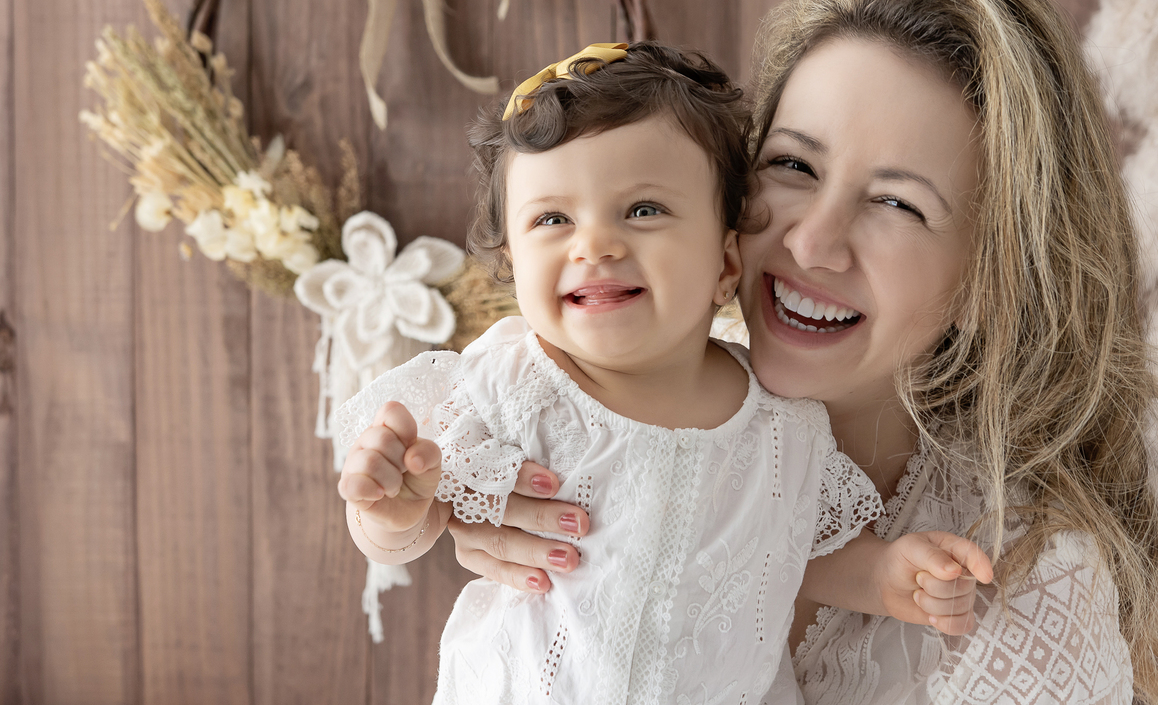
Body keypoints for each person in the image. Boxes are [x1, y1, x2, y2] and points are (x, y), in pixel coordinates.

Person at [446, 0, 1158, 704]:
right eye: (794, 167)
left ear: (991, 283)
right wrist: (456, 503)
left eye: (898, 204)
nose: (811, 243)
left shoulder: (1028, 595)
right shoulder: (609, 402)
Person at [334, 41, 994, 705]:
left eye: (644, 210)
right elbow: (438, 510)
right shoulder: (510, 385)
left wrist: (883, 576)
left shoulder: (782, 424)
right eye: (552, 219)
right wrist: (394, 515)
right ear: (511, 263)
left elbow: (789, 552)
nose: (594, 245)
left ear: (726, 264)